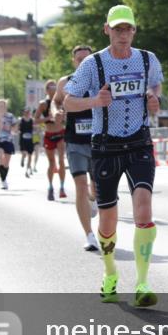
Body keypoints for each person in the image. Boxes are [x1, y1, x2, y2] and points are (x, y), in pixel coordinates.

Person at [63, 5, 163, 307]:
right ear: (107, 29)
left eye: (128, 29)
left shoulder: (147, 59)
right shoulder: (93, 64)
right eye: (117, 29)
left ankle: (143, 283)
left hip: (139, 143)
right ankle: (110, 273)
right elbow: (68, 102)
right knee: (108, 220)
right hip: (105, 146)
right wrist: (95, 100)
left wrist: (152, 97)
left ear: (134, 30)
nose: (123, 34)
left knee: (144, 208)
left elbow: (155, 83)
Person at [56, 44, 101, 252]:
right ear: (74, 62)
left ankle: (93, 200)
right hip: (74, 140)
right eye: (79, 59)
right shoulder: (65, 82)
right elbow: (57, 102)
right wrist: (57, 111)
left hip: (98, 140)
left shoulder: (101, 79)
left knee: (97, 189)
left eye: (87, 58)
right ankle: (90, 235)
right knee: (81, 185)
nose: (83, 62)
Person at [36, 80, 68, 201]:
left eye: (54, 87)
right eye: (50, 88)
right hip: (49, 134)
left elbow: (67, 118)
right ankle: (50, 187)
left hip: (60, 133)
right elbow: (35, 120)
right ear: (46, 90)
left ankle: (62, 187)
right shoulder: (43, 104)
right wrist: (48, 117)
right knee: (51, 163)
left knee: (61, 161)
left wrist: (62, 117)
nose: (52, 89)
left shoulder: (61, 102)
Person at [0, 99, 16, 190]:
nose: (0, 107)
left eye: (2, 106)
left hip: (8, 139)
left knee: (6, 162)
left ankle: (4, 179)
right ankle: (3, 181)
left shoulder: (10, 116)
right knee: (1, 157)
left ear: (5, 106)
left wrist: (12, 129)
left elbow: (15, 126)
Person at [18, 107, 35, 176]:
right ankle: (22, 158)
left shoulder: (32, 120)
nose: (27, 113)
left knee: (30, 155)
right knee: (24, 153)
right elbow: (18, 128)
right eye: (25, 112)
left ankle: (27, 170)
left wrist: (36, 129)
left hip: (30, 139)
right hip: (23, 139)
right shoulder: (20, 120)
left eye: (28, 112)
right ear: (23, 113)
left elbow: (35, 128)